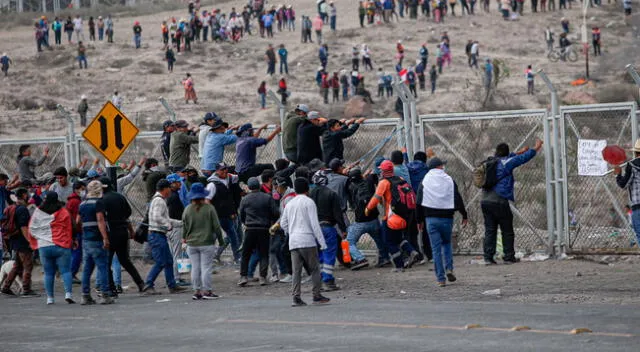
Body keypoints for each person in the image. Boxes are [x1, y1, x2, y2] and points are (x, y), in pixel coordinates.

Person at [482, 139, 543, 265]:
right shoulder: (506, 163)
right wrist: (536, 148)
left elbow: (510, 156)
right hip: (499, 200)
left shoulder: (490, 162)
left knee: (490, 230)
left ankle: (488, 257)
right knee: (507, 229)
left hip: (485, 200)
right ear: (507, 153)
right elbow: (521, 159)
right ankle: (509, 256)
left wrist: (519, 151)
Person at [279, 178, 330, 306]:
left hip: (294, 241)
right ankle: (316, 295)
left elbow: (283, 223)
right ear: (307, 189)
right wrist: (322, 242)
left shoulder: (290, 203)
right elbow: (314, 224)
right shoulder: (309, 202)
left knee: (296, 271)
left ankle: (296, 297)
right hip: (307, 240)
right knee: (314, 269)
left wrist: (291, 231)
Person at [417, 158, 468, 287]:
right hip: (447, 219)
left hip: (431, 220)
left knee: (436, 249)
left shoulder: (425, 181)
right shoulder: (449, 180)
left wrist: (419, 220)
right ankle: (449, 268)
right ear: (440, 166)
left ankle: (440, 279)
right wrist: (464, 214)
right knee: (447, 244)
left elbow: (418, 202)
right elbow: (457, 198)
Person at [366, 160, 420, 271]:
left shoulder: (384, 183)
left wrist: (368, 209)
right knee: (398, 238)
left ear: (384, 171)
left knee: (389, 241)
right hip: (404, 216)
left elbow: (375, 199)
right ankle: (412, 251)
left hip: (391, 218)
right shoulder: (400, 179)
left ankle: (399, 266)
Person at [100, 177, 146, 294]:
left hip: (110, 234)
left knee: (106, 263)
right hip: (122, 232)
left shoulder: (102, 200)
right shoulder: (120, 197)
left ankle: (111, 288)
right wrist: (131, 231)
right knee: (125, 260)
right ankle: (140, 283)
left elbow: (101, 219)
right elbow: (127, 215)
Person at [29, 192, 75, 304]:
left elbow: (32, 228)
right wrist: (71, 241)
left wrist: (37, 241)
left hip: (44, 246)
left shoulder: (38, 212)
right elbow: (69, 228)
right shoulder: (63, 211)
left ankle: (50, 298)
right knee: (66, 271)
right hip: (61, 245)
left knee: (48, 273)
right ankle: (68, 293)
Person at [142, 179, 187, 295]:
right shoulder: (159, 201)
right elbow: (158, 217)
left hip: (158, 234)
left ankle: (172, 285)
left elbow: (164, 218)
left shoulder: (159, 200)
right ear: (165, 189)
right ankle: (149, 284)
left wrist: (179, 223)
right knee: (161, 262)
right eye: (169, 188)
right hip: (156, 235)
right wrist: (168, 225)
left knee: (168, 261)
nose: (170, 191)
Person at [182, 183, 223, 300]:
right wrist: (220, 240)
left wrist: (184, 238)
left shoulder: (187, 209)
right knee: (206, 267)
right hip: (207, 242)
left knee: (195, 268)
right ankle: (207, 291)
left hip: (191, 243)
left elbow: (184, 226)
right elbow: (216, 226)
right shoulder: (209, 208)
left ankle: (197, 291)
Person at [238, 177, 280, 286]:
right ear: (259, 185)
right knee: (263, 254)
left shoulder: (245, 199)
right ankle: (262, 277)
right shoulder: (267, 198)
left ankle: (243, 276)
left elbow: (241, 215)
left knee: (246, 253)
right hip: (264, 229)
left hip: (250, 229)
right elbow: (275, 213)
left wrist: (246, 222)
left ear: (249, 187)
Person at [77, 181, 113, 304]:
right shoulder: (98, 203)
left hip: (86, 239)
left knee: (87, 269)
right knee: (102, 267)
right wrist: (105, 238)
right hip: (97, 239)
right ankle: (105, 295)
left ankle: (85, 295)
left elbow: (78, 221)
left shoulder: (82, 204)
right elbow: (100, 220)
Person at [1, 188, 38, 297]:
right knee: (28, 265)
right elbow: (23, 227)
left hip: (14, 241)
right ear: (23, 195)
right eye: (27, 194)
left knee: (17, 266)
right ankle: (26, 289)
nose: (29, 196)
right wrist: (30, 241)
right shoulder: (22, 209)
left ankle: (6, 287)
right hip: (22, 242)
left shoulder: (12, 207)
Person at [615, 139, 640, 246]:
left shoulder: (632, 165)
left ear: (636, 152)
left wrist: (618, 175)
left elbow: (624, 184)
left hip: (638, 206)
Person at [67, 181, 86, 284]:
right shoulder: (76, 202)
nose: (84, 191)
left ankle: (71, 273)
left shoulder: (72, 201)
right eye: (82, 189)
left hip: (73, 229)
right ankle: (72, 273)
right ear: (77, 189)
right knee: (77, 253)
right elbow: (77, 218)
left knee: (74, 252)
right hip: (76, 230)